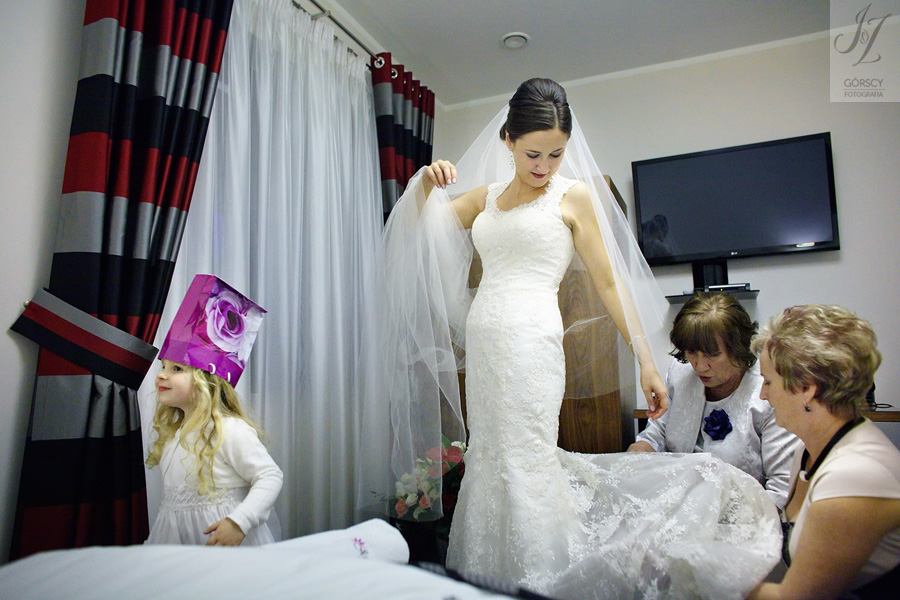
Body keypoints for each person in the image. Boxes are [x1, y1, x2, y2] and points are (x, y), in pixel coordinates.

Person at [362, 78, 782, 599]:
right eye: (532, 154)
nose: (544, 166)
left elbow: (608, 283)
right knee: (489, 454)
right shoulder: (486, 199)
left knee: (526, 455)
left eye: (556, 154)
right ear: (508, 141)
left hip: (533, 344)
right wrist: (426, 183)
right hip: (487, 342)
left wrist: (647, 361)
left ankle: (543, 578)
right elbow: (417, 232)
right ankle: (485, 578)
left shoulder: (572, 196)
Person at [748, 305, 900, 600]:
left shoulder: (855, 475)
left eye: (768, 382)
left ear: (807, 388)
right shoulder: (808, 450)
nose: (763, 395)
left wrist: (701, 578)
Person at [145, 274, 282, 546]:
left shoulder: (228, 430)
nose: (161, 375)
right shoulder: (176, 434)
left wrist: (239, 522)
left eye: (176, 369)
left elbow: (269, 476)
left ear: (206, 382)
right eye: (163, 367)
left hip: (226, 547)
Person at [628, 292, 799, 509]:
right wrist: (642, 449)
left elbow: (783, 489)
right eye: (692, 352)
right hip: (679, 506)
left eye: (712, 354)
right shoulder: (680, 374)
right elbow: (657, 433)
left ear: (738, 348)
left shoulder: (768, 393)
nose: (699, 366)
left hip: (744, 515)